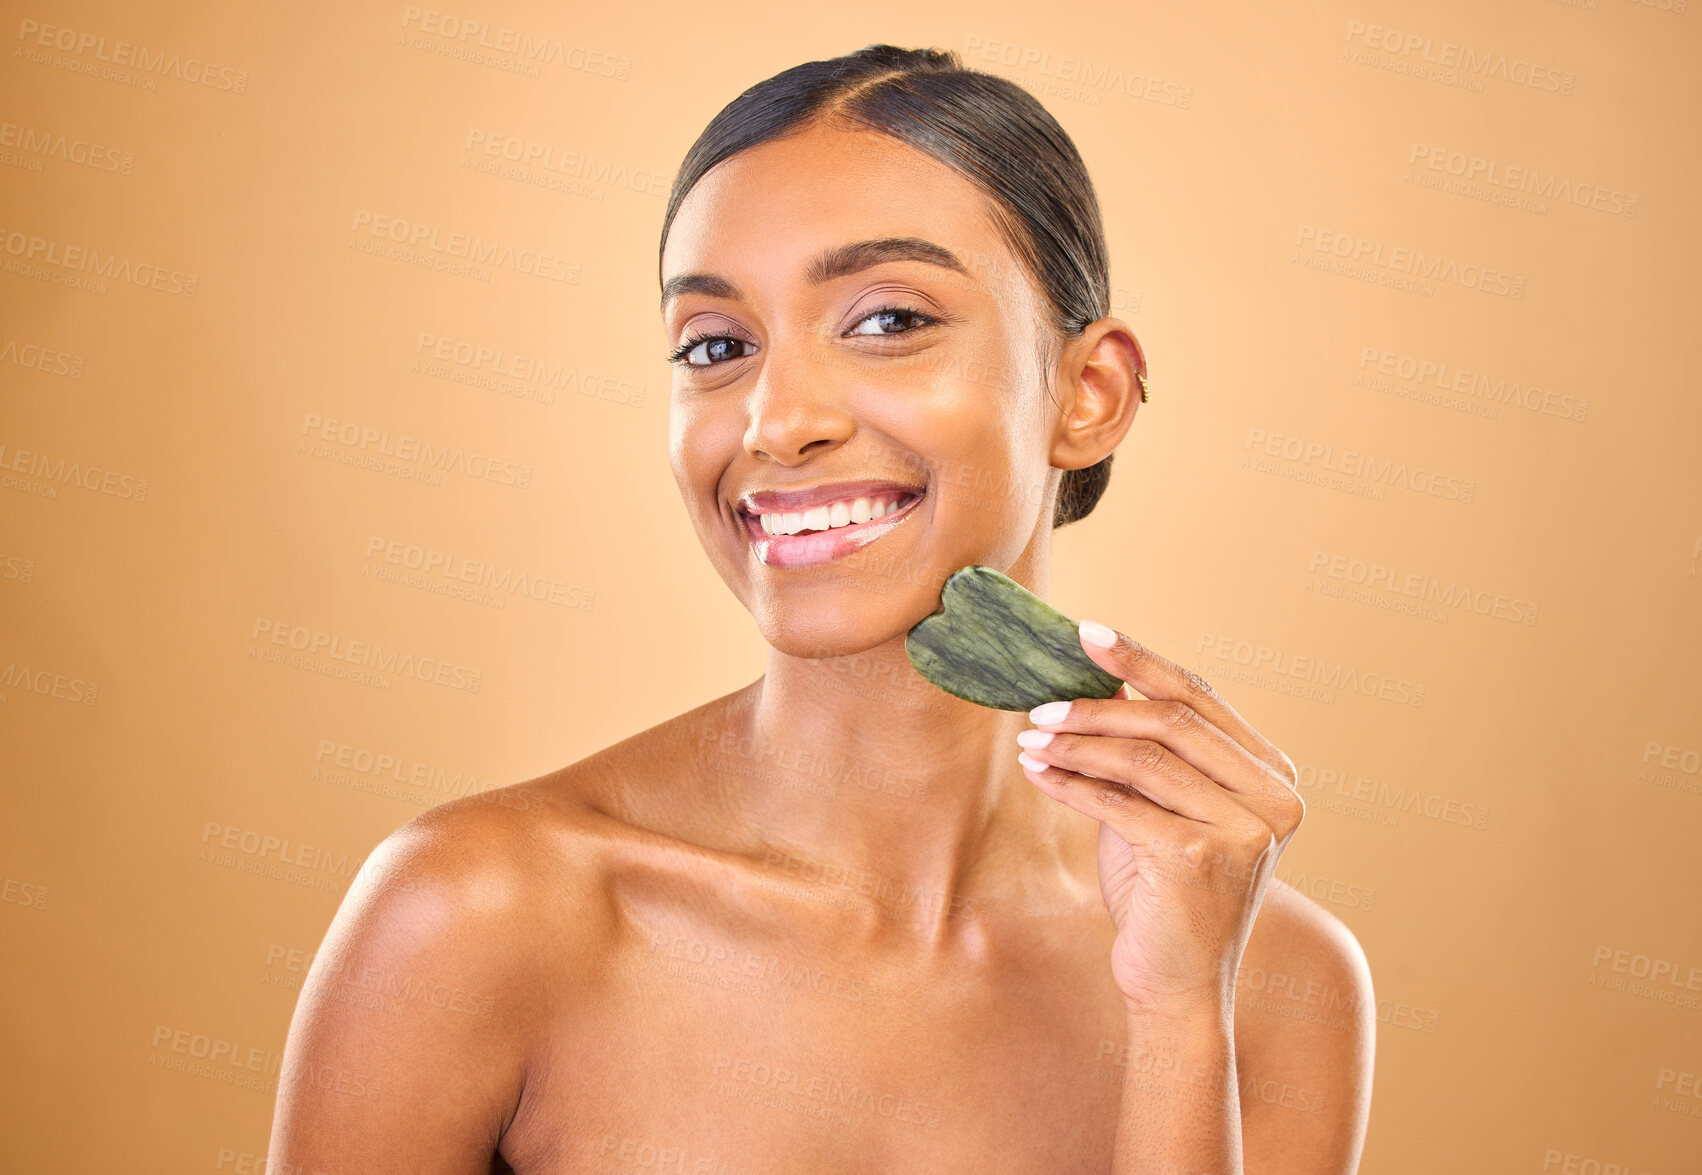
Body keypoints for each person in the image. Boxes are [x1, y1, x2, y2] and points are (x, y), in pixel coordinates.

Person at [269, 44, 1374, 1174]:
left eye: (887, 320)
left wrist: (1178, 1011)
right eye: (717, 345)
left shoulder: (1274, 983)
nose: (775, 419)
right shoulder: (482, 909)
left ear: (1087, 395)